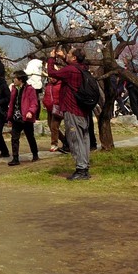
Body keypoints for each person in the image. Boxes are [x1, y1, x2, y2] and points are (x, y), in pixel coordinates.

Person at [46, 47, 91, 180]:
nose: (67, 55)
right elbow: (72, 68)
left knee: (75, 139)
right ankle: (84, 167)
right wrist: (63, 58)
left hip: (72, 109)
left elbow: (51, 72)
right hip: (83, 110)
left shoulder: (70, 70)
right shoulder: (83, 68)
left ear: (74, 57)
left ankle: (81, 169)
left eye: (69, 54)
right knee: (84, 139)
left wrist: (51, 58)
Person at [7, 70, 40, 165]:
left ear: (20, 79)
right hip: (16, 118)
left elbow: (34, 103)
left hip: (26, 118)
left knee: (30, 137)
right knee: (14, 138)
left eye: (15, 78)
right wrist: (9, 118)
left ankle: (35, 154)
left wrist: (30, 111)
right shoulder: (14, 89)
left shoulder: (30, 89)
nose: (13, 80)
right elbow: (12, 104)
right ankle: (15, 158)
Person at [42, 49, 65, 153]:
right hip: (49, 108)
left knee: (54, 126)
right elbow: (46, 95)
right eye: (50, 77)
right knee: (51, 127)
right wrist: (44, 103)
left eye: (53, 77)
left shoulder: (61, 84)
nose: (51, 78)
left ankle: (54, 144)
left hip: (57, 108)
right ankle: (65, 140)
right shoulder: (49, 85)